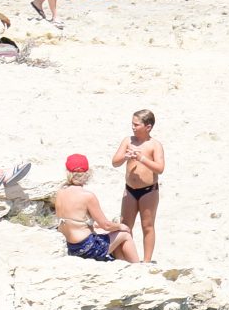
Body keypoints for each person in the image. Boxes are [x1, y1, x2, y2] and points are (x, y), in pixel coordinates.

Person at [46, 153, 137, 262]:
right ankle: (137, 267)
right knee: (124, 234)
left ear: (68, 173)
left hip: (70, 246)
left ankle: (122, 263)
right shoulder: (87, 196)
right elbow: (106, 225)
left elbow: (73, 219)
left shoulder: (60, 193)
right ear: (87, 173)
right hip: (86, 248)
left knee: (110, 238)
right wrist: (121, 226)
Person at [113, 107, 165, 259]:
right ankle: (129, 259)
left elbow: (160, 168)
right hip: (129, 190)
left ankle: (147, 261)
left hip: (148, 191)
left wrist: (142, 158)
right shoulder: (128, 141)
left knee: (147, 226)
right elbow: (115, 162)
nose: (133, 127)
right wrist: (125, 156)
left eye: (136, 125)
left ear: (147, 127)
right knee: (125, 226)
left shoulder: (155, 145)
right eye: (132, 124)